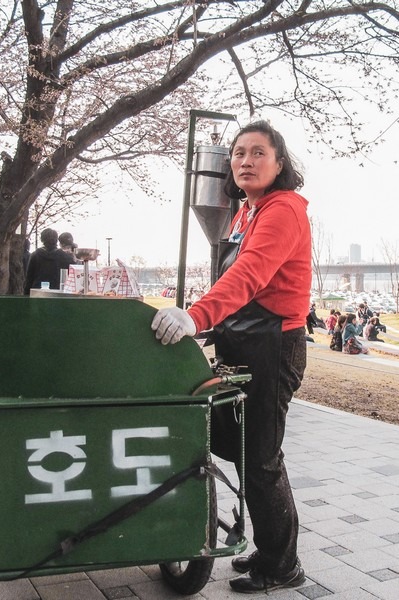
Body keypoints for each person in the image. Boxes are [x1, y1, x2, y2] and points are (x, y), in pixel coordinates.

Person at [152, 120, 311, 593]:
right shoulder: (248, 211)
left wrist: (196, 317)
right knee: (248, 455)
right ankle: (269, 551)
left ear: (280, 163)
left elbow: (250, 276)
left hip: (274, 346)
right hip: (245, 342)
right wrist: (209, 326)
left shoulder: (283, 210)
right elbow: (233, 283)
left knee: (261, 459)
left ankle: (283, 567)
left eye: (258, 152)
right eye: (239, 153)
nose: (245, 160)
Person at [24, 228, 77, 294]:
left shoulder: (35, 255)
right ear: (56, 240)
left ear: (42, 239)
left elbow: (29, 278)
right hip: (58, 294)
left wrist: (26, 295)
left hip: (37, 293)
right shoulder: (65, 257)